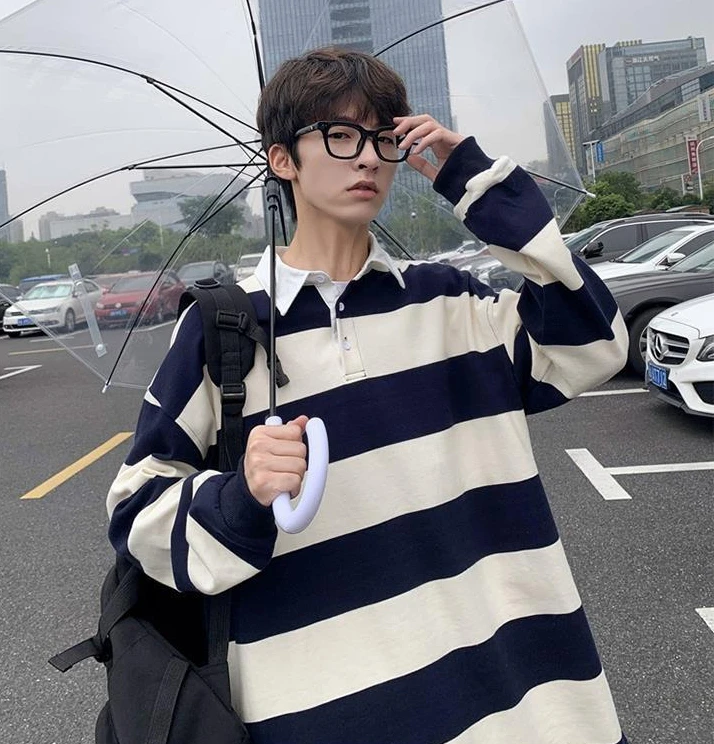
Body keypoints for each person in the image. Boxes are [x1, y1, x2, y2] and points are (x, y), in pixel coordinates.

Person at [107, 47, 629, 744]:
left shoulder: (452, 304)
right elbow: (136, 513)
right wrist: (241, 494)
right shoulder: (221, 330)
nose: (368, 158)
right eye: (340, 135)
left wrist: (475, 182)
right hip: (328, 711)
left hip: (524, 703)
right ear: (282, 160)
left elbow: (594, 344)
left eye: (383, 137)